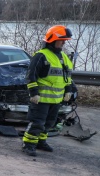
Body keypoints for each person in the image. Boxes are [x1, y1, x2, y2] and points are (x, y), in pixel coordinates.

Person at [21, 25, 76, 156]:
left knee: (50, 123)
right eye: (61, 40)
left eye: (64, 41)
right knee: (37, 123)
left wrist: (68, 90)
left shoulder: (63, 57)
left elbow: (67, 76)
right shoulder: (41, 56)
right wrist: (34, 93)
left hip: (56, 99)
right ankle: (28, 144)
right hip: (41, 99)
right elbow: (31, 75)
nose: (63, 43)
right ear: (52, 40)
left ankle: (41, 141)